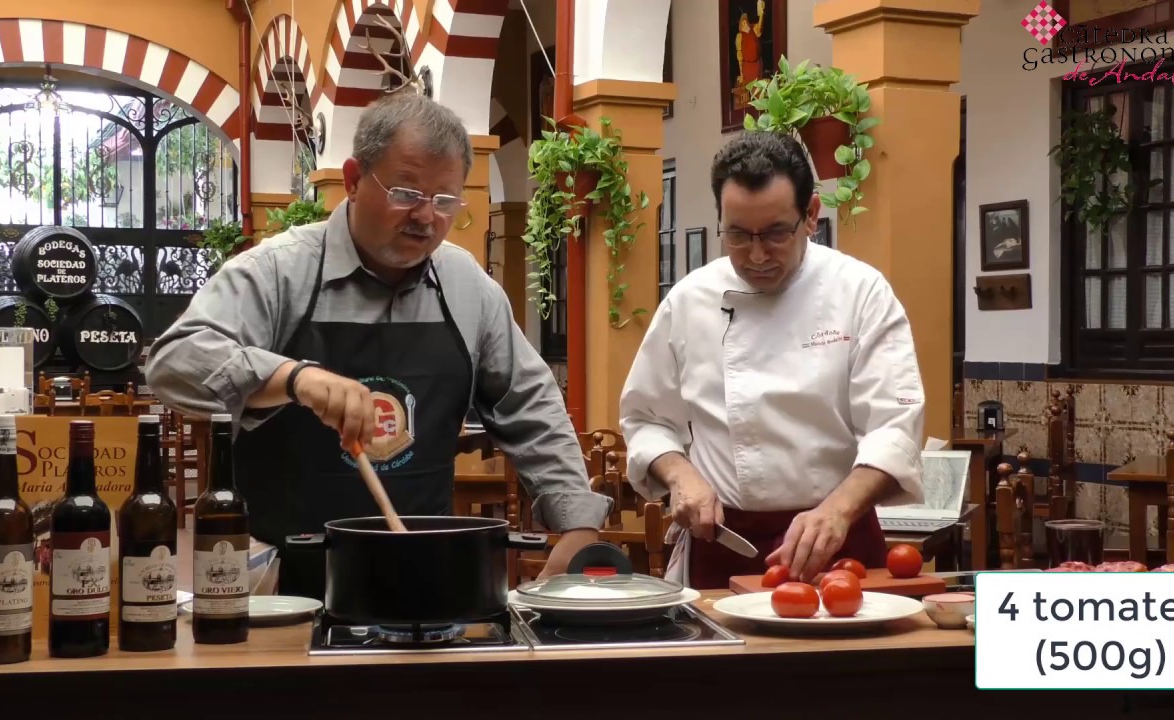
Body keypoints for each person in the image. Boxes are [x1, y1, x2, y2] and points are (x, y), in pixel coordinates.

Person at [146, 92, 609, 598]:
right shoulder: (278, 272)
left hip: (419, 563)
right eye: (406, 193)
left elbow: (530, 404)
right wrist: (293, 378)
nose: (426, 217)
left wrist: (577, 520)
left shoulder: (466, 286)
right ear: (352, 179)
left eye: (446, 200)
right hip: (280, 578)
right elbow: (174, 361)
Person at [618, 131, 926, 590]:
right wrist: (681, 475)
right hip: (722, 542)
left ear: (812, 216)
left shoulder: (859, 292)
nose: (757, 255)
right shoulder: (688, 301)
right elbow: (646, 418)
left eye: (777, 233)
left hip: (836, 546)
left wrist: (837, 511)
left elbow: (894, 426)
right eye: (738, 235)